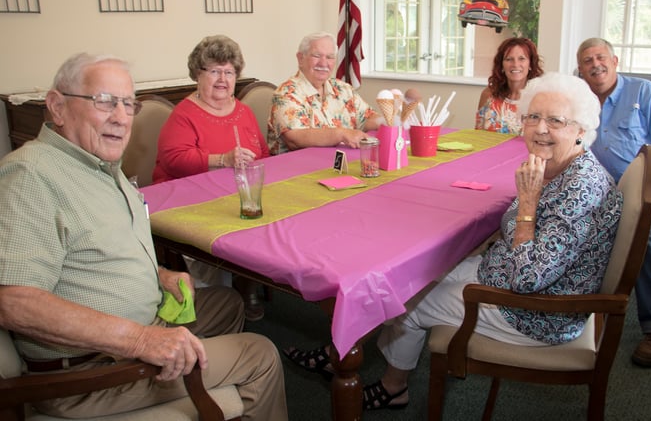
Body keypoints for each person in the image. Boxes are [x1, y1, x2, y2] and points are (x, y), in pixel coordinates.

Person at [285, 73, 623, 410]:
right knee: (406, 276)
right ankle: (340, 350)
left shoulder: (581, 189)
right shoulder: (554, 166)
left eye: (556, 120)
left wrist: (529, 203)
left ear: (581, 130)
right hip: (508, 273)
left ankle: (391, 386)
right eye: (532, 117)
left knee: (405, 299)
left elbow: (527, 278)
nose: (540, 128)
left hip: (535, 312)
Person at [0, 53, 287, 420]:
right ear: (57, 106)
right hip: (91, 369)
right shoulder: (29, 176)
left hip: (136, 326)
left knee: (227, 303)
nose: (121, 118)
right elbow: (16, 302)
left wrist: (160, 276)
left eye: (127, 104)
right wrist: (142, 340)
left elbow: (98, 248)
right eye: (103, 102)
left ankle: (200, 394)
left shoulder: (97, 163)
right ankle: (207, 385)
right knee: (260, 353)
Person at [576, 37, 651, 368]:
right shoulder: (580, 101)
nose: (595, 64)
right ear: (580, 69)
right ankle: (575, 308)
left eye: (600, 57)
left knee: (645, 228)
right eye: (586, 60)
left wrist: (639, 188)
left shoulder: (646, 93)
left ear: (615, 60)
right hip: (606, 186)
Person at [153, 34, 270, 321]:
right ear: (197, 74)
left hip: (235, 194)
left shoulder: (242, 111)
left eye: (229, 72)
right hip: (186, 197)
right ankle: (216, 301)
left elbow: (263, 153)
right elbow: (175, 160)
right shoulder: (185, 114)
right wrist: (222, 159)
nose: (222, 79)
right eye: (214, 71)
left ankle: (248, 280)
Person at [267, 32, 382, 155]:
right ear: (300, 58)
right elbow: (295, 138)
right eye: (316, 55)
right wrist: (341, 134)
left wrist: (388, 120)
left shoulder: (342, 88)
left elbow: (366, 118)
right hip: (297, 168)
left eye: (330, 57)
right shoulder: (286, 93)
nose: (323, 63)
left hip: (339, 163)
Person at [475, 37, 544, 134]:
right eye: (509, 59)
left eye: (521, 59)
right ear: (501, 65)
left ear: (530, 64)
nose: (515, 64)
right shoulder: (488, 95)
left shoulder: (540, 99)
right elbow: (477, 135)